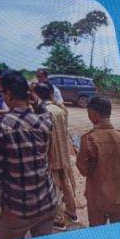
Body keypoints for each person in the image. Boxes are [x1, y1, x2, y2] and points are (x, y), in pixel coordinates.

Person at [0, 71, 57, 239]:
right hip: (47, 202)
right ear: (27, 94)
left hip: (18, 209)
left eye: (3, 93)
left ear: (8, 94)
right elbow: (45, 110)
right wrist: (34, 97)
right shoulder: (43, 122)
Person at [76, 95, 120, 226]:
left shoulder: (88, 139)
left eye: (88, 112)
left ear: (93, 114)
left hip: (97, 201)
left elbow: (83, 169)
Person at [35, 83, 78, 227]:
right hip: (63, 153)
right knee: (65, 184)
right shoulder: (60, 109)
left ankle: (59, 220)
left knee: (54, 187)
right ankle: (72, 213)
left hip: (51, 154)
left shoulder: (43, 112)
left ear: (37, 95)